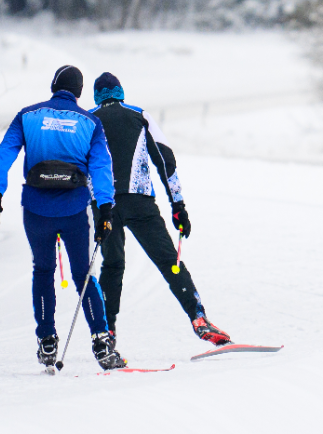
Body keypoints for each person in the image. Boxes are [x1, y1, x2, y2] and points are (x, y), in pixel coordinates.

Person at [0, 65, 127, 370]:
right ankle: (101, 340)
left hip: (36, 209)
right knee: (83, 274)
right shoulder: (91, 123)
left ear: (54, 86)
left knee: (42, 270)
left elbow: (5, 153)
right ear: (80, 92)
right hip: (73, 210)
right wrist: (106, 209)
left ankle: (46, 340)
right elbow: (101, 168)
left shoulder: (27, 116)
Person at [87, 71, 232, 346]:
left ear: (96, 96)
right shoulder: (139, 115)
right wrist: (178, 205)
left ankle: (108, 332)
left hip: (103, 204)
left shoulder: (88, 120)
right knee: (169, 261)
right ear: (120, 92)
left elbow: (78, 166)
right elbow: (165, 162)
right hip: (139, 200)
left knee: (113, 264)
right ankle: (198, 317)